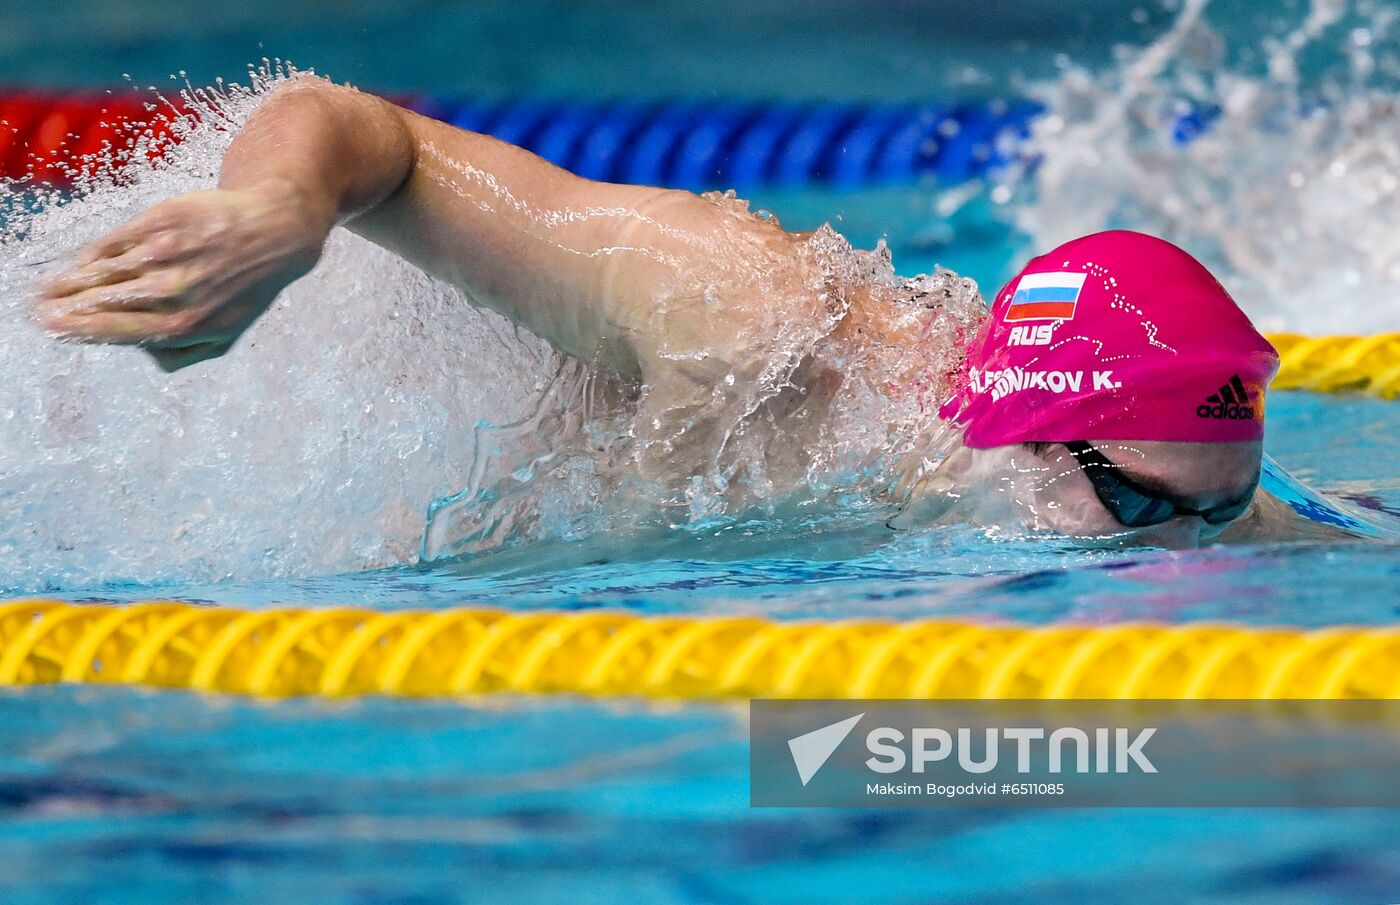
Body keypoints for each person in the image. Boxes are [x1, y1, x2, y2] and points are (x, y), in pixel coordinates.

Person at [33, 76, 1288, 549]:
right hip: (152, 388)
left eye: (1217, 507)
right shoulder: (743, 315)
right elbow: (364, 129)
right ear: (1017, 433)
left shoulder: (1133, 460)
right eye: (1134, 509)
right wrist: (274, 217)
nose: (1182, 549)